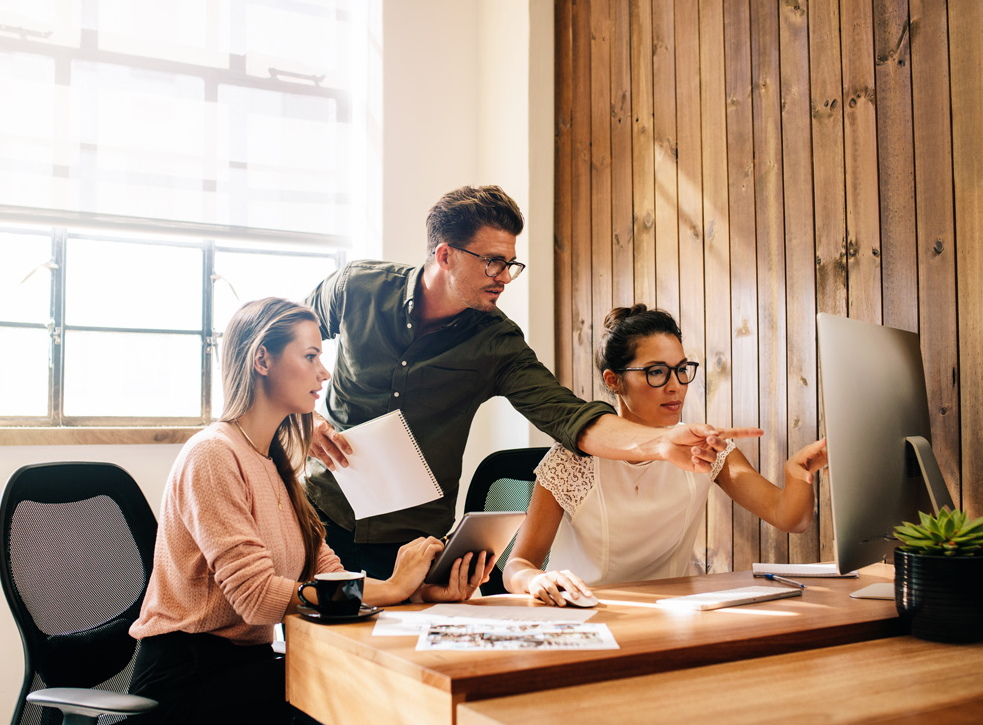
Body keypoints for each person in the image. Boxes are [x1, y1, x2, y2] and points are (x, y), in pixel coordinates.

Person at [304, 185, 760, 579]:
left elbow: (570, 416)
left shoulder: (496, 342)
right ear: (445, 255)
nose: (505, 277)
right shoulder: (357, 288)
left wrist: (658, 444)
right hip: (322, 520)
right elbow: (277, 339)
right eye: (492, 262)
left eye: (510, 264)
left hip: (411, 545)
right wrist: (303, 420)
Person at [127, 298, 489, 723]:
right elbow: (257, 599)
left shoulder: (277, 465)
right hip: (185, 679)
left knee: (365, 686)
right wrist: (390, 588)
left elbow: (330, 575)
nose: (325, 372)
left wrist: (415, 592)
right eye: (311, 356)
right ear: (263, 359)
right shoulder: (212, 455)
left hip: (248, 668)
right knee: (349, 694)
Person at [502, 305, 827, 605]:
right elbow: (517, 565)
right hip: (581, 615)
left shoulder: (704, 447)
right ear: (613, 381)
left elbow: (789, 517)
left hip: (671, 616)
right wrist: (535, 579)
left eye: (681, 369)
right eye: (657, 372)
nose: (676, 386)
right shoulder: (574, 457)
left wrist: (798, 470)